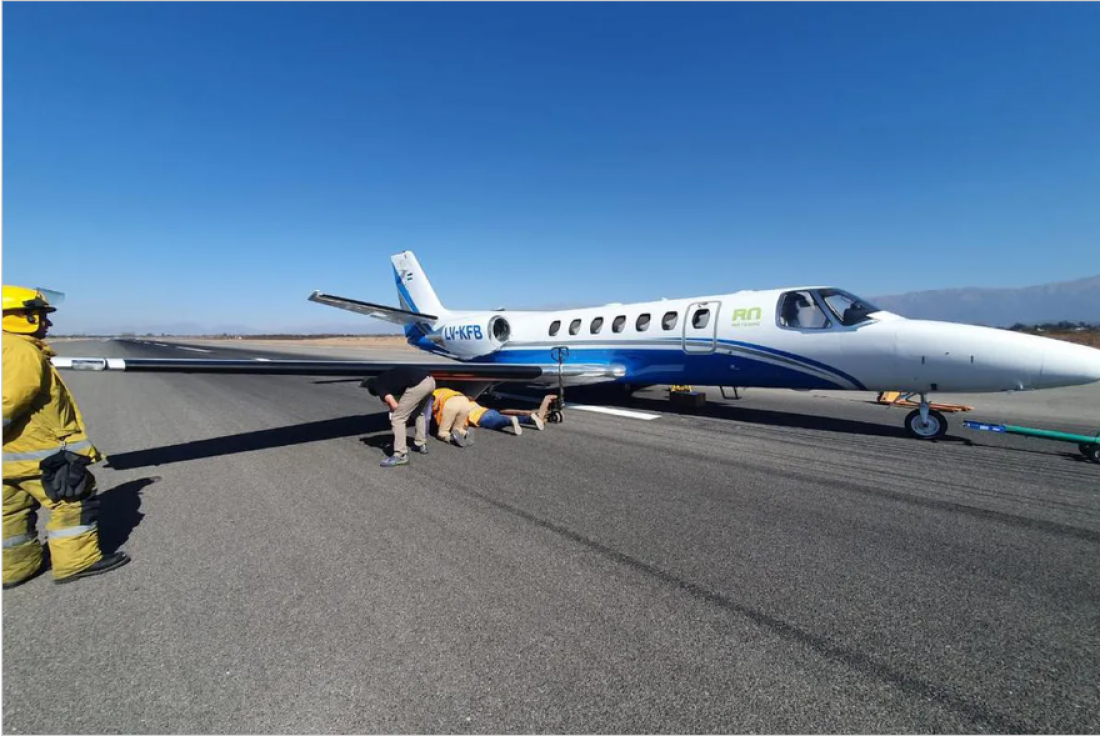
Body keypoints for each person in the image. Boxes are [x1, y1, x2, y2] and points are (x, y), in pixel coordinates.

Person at [3, 286, 130, 588]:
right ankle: (76, 562)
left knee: (10, 510)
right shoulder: (20, 351)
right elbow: (9, 399)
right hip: (38, 452)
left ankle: (15, 569)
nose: (47, 324)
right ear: (21, 316)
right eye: (40, 317)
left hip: (8, 455)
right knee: (72, 499)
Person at [364, 366, 436, 467]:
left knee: (398, 418)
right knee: (418, 413)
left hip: (418, 385)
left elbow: (393, 404)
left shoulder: (376, 385)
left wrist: (394, 413)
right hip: (430, 381)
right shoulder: (388, 379)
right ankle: (420, 444)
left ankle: (400, 455)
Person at [466, 394, 554, 436]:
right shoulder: (468, 401)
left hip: (480, 418)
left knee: (497, 423)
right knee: (498, 417)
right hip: (487, 411)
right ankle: (529, 419)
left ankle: (510, 420)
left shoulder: (459, 409)